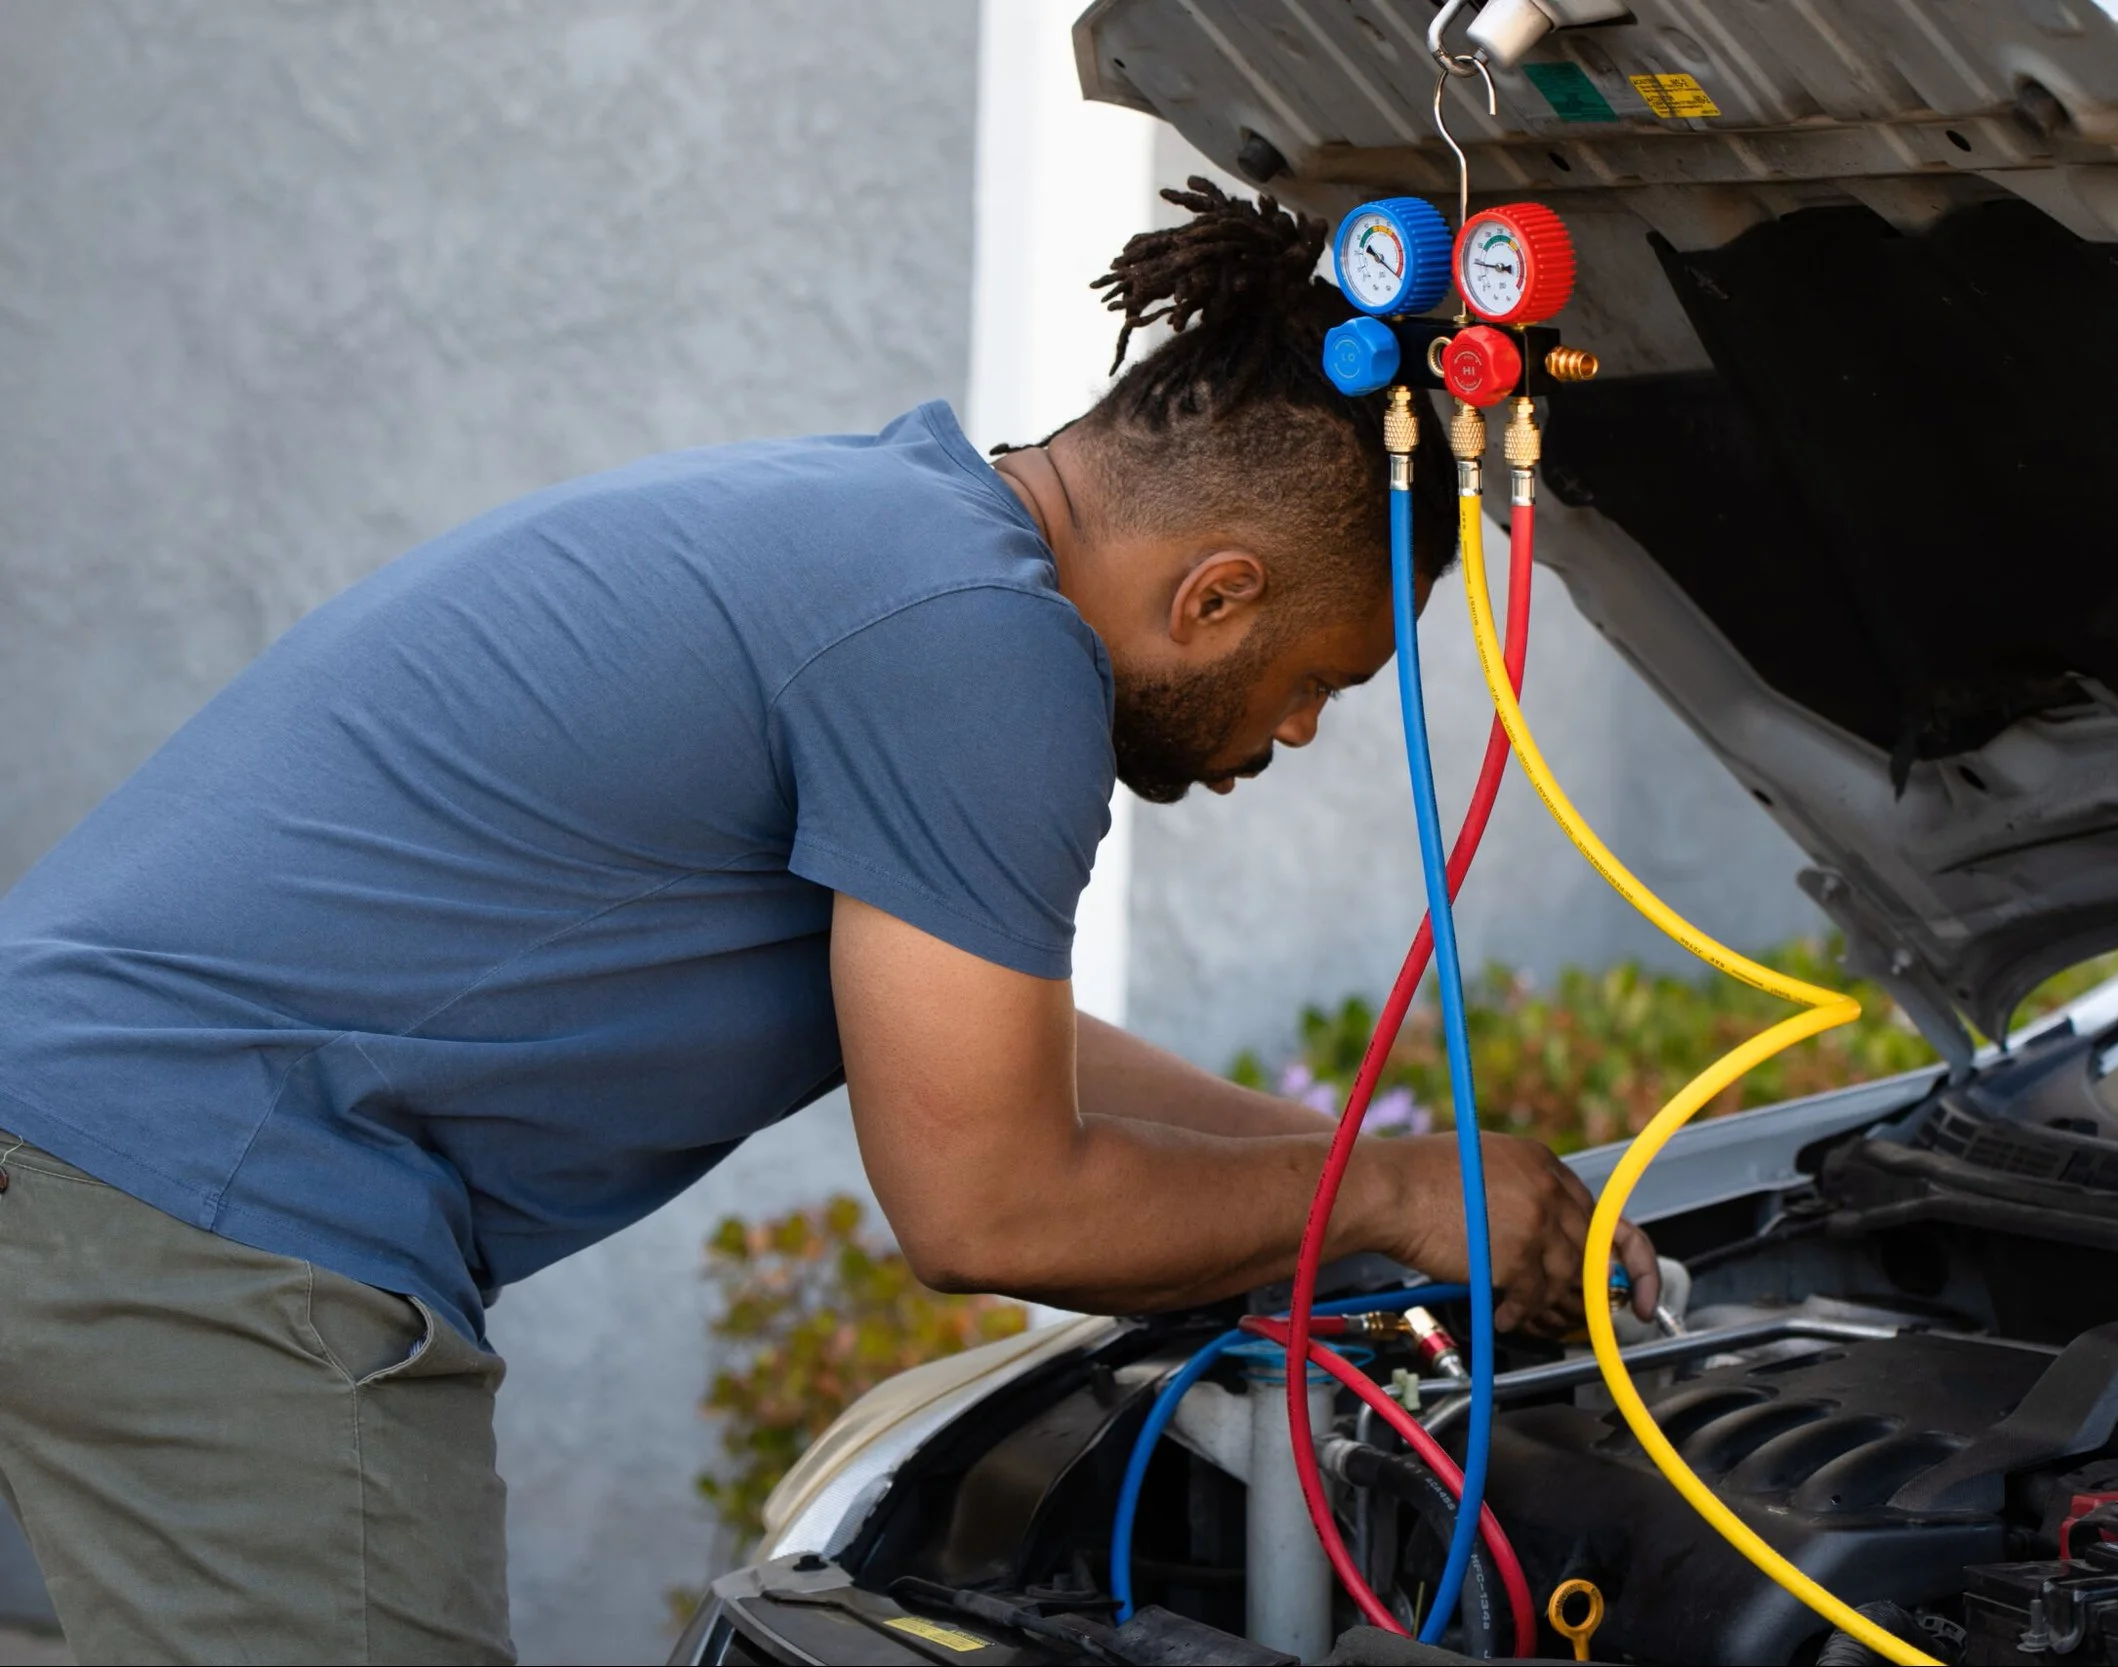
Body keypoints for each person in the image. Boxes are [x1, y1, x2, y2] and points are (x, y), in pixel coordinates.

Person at [0, 181, 1657, 1664]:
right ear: (1214, 593)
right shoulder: (979, 653)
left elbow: (997, 1058)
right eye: (1313, 680)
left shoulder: (891, 537)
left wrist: (1396, 1188)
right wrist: (1384, 1189)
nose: (1290, 733)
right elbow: (987, 1201)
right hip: (212, 1209)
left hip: (95, 1146)